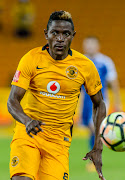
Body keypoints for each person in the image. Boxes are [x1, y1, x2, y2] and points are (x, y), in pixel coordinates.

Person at [7, 11, 106, 180]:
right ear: (46, 34)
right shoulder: (31, 59)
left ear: (73, 36)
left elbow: (99, 104)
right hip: (29, 133)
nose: (60, 39)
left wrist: (98, 145)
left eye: (66, 34)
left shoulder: (85, 66)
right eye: (55, 33)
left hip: (59, 141)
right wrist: (26, 121)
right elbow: (12, 100)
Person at [82, 36, 122, 170]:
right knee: (91, 130)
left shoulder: (105, 61)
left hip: (100, 100)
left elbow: (113, 82)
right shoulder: (80, 61)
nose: (90, 47)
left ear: (98, 46)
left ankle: (94, 159)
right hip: (85, 101)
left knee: (94, 127)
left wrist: (118, 102)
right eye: (87, 45)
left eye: (92, 44)